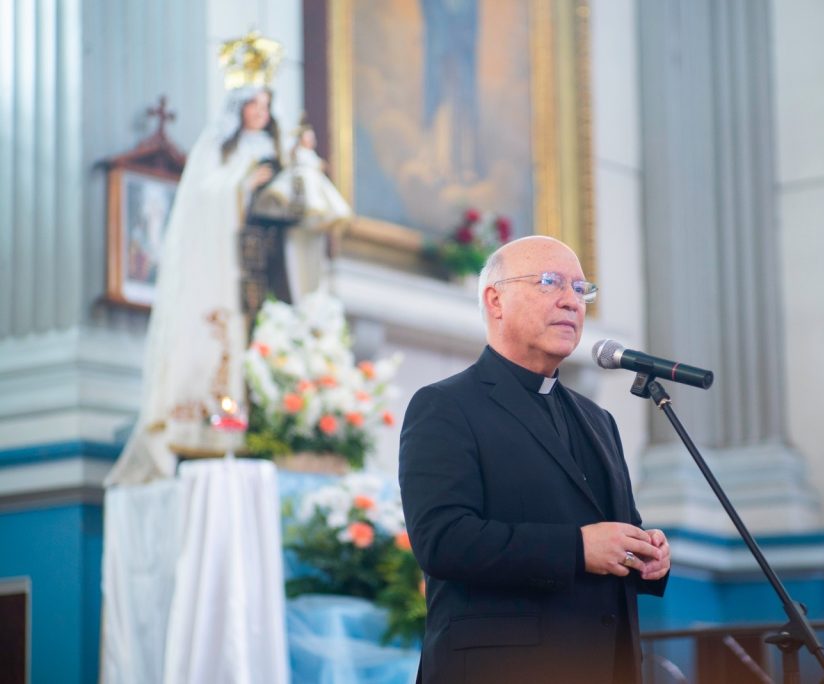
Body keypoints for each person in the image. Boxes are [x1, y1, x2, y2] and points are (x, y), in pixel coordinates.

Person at [399, 236, 671, 684]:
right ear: (496, 300)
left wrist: (646, 553)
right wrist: (578, 549)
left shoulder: (597, 420)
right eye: (549, 282)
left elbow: (614, 534)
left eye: (580, 289)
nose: (571, 301)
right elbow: (443, 540)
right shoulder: (446, 406)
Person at [106, 85, 281, 485]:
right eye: (254, 104)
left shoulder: (272, 150)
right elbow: (205, 195)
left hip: (255, 263)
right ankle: (201, 423)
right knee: (213, 334)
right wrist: (245, 184)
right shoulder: (216, 146)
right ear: (239, 108)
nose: (261, 112)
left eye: (266, 106)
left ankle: (243, 423)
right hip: (218, 260)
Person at [248, 117, 352, 301]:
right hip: (298, 201)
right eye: (308, 137)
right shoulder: (298, 159)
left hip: (309, 218)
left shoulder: (310, 159)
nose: (311, 141)